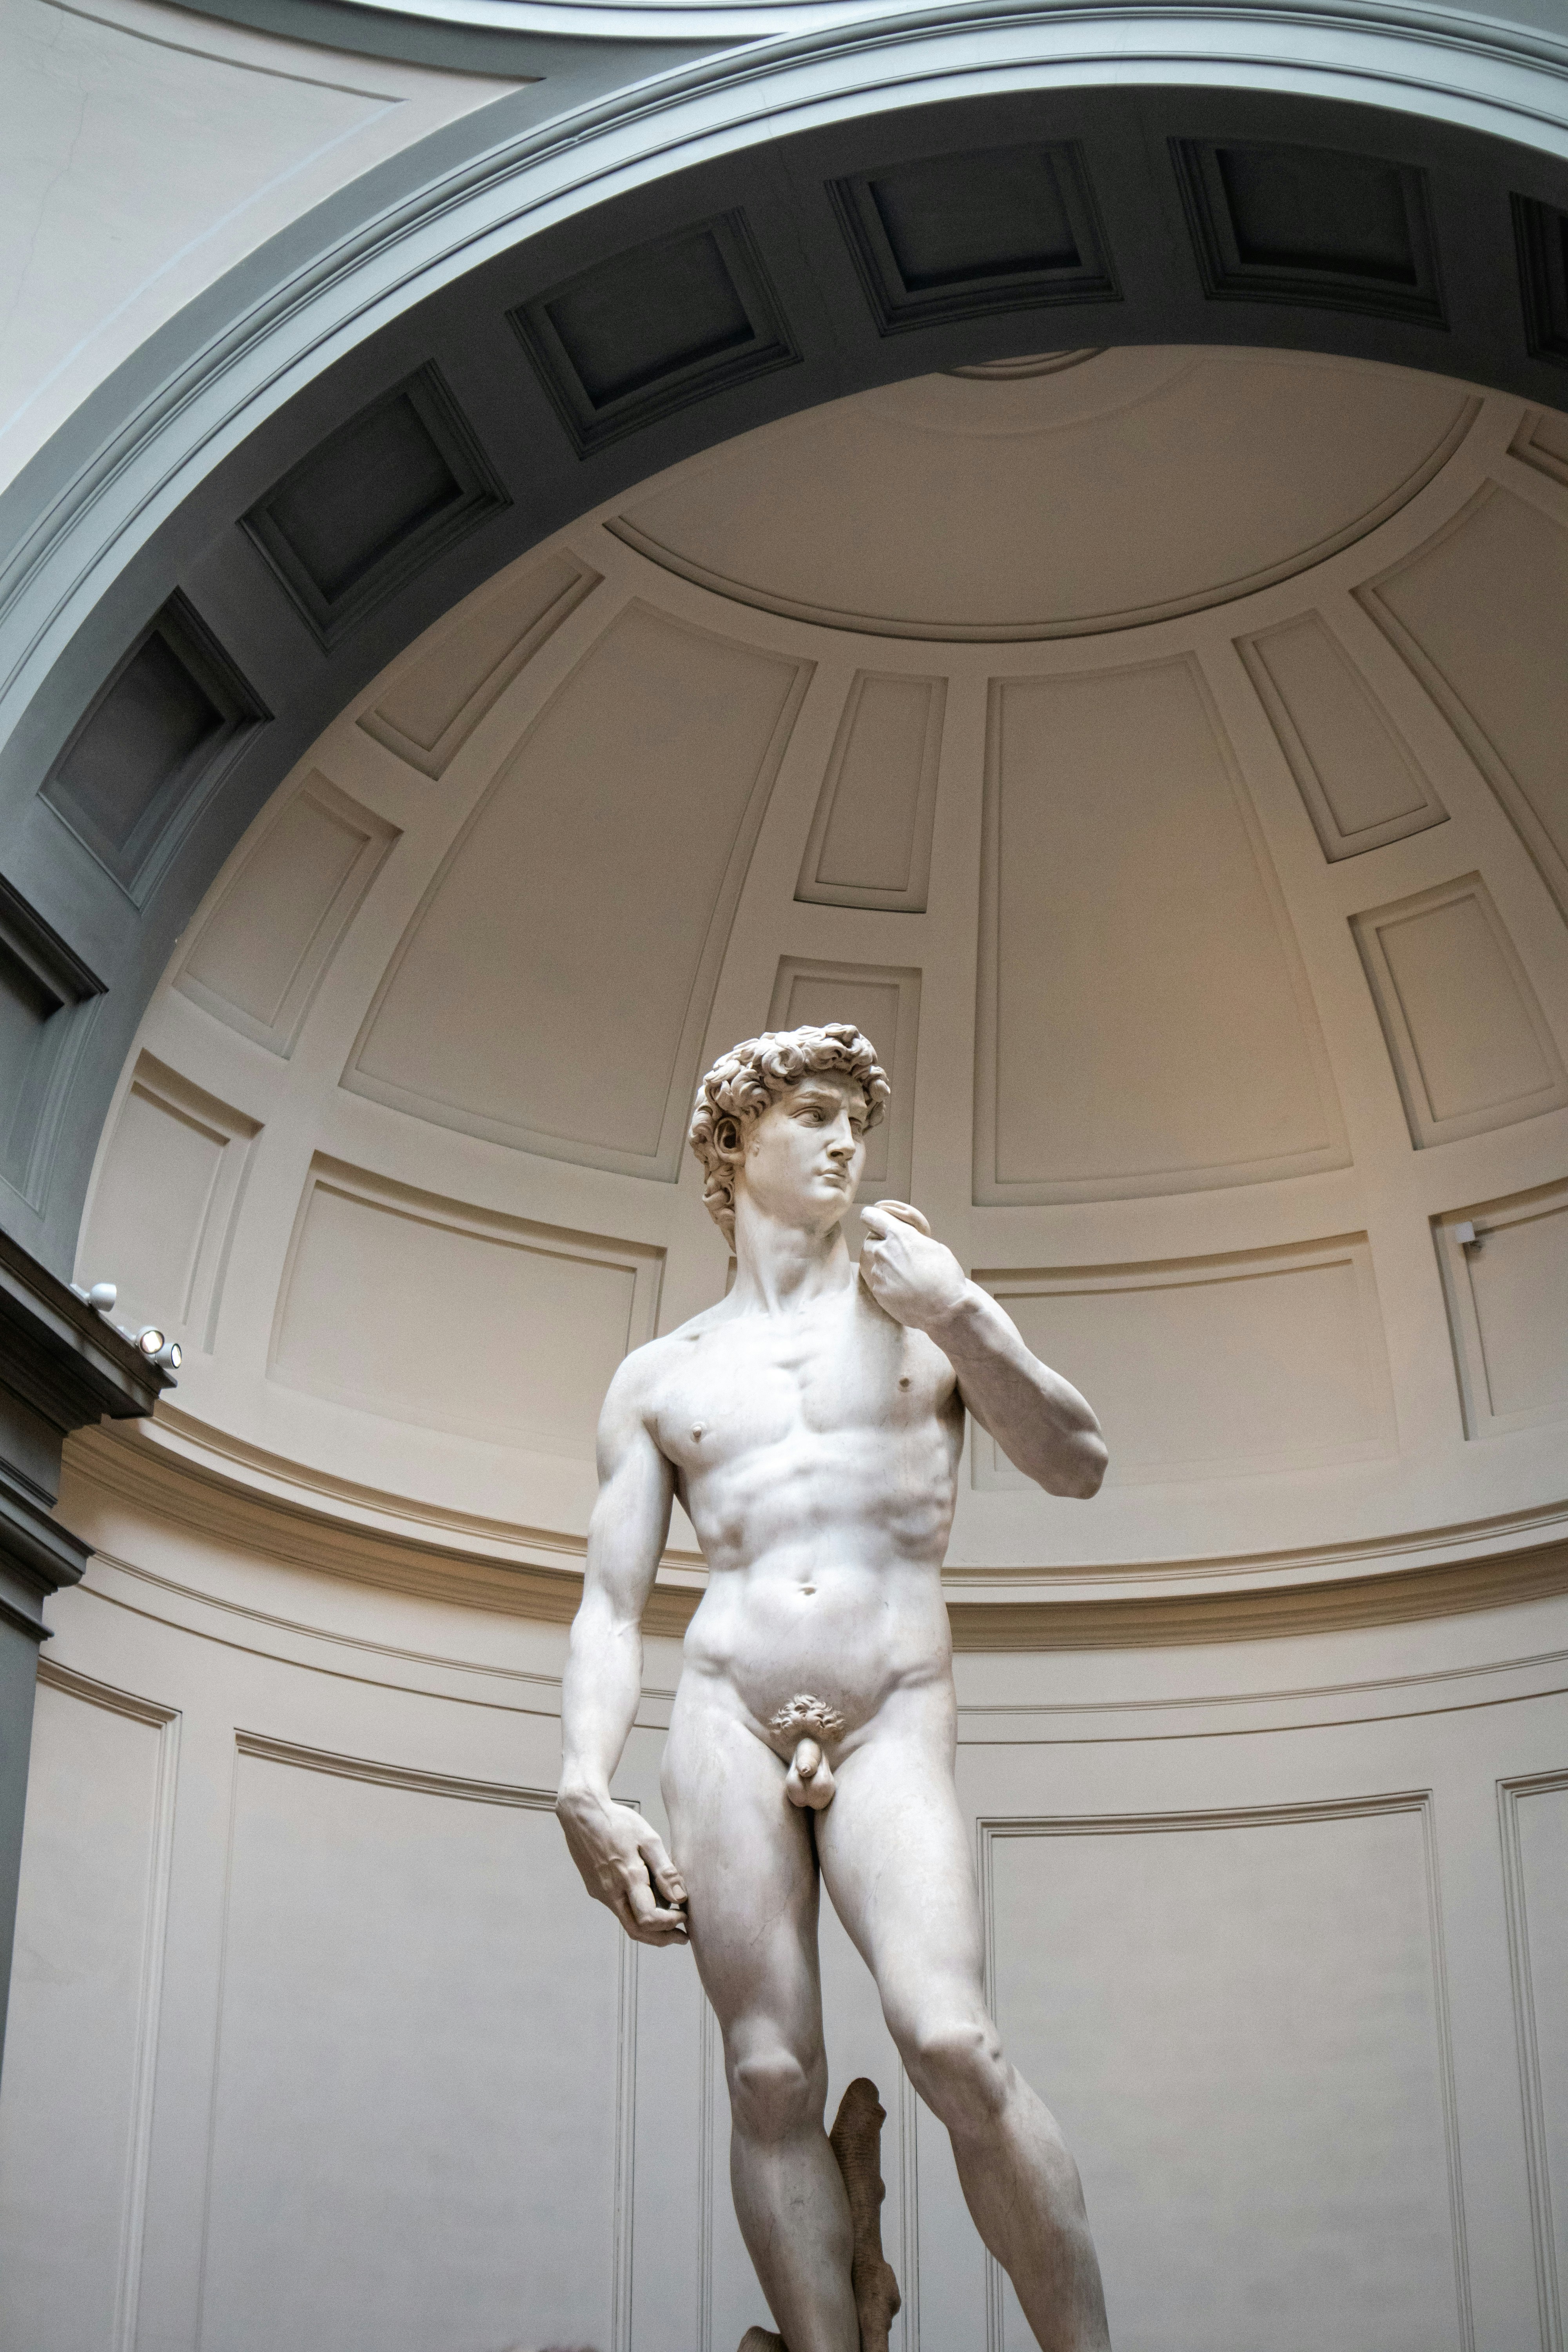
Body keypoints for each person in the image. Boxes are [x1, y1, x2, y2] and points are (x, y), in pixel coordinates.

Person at [557, 1022, 1112, 2352]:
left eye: (856, 1116)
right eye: (811, 1112)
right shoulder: (662, 1376)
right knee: (768, 2074)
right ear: (733, 1139)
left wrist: (963, 1311)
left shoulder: (925, 1316)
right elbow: (609, 1608)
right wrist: (582, 1782)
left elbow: (1078, 1461)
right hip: (724, 1715)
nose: (846, 1139)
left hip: (891, 1714)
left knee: (951, 2044)